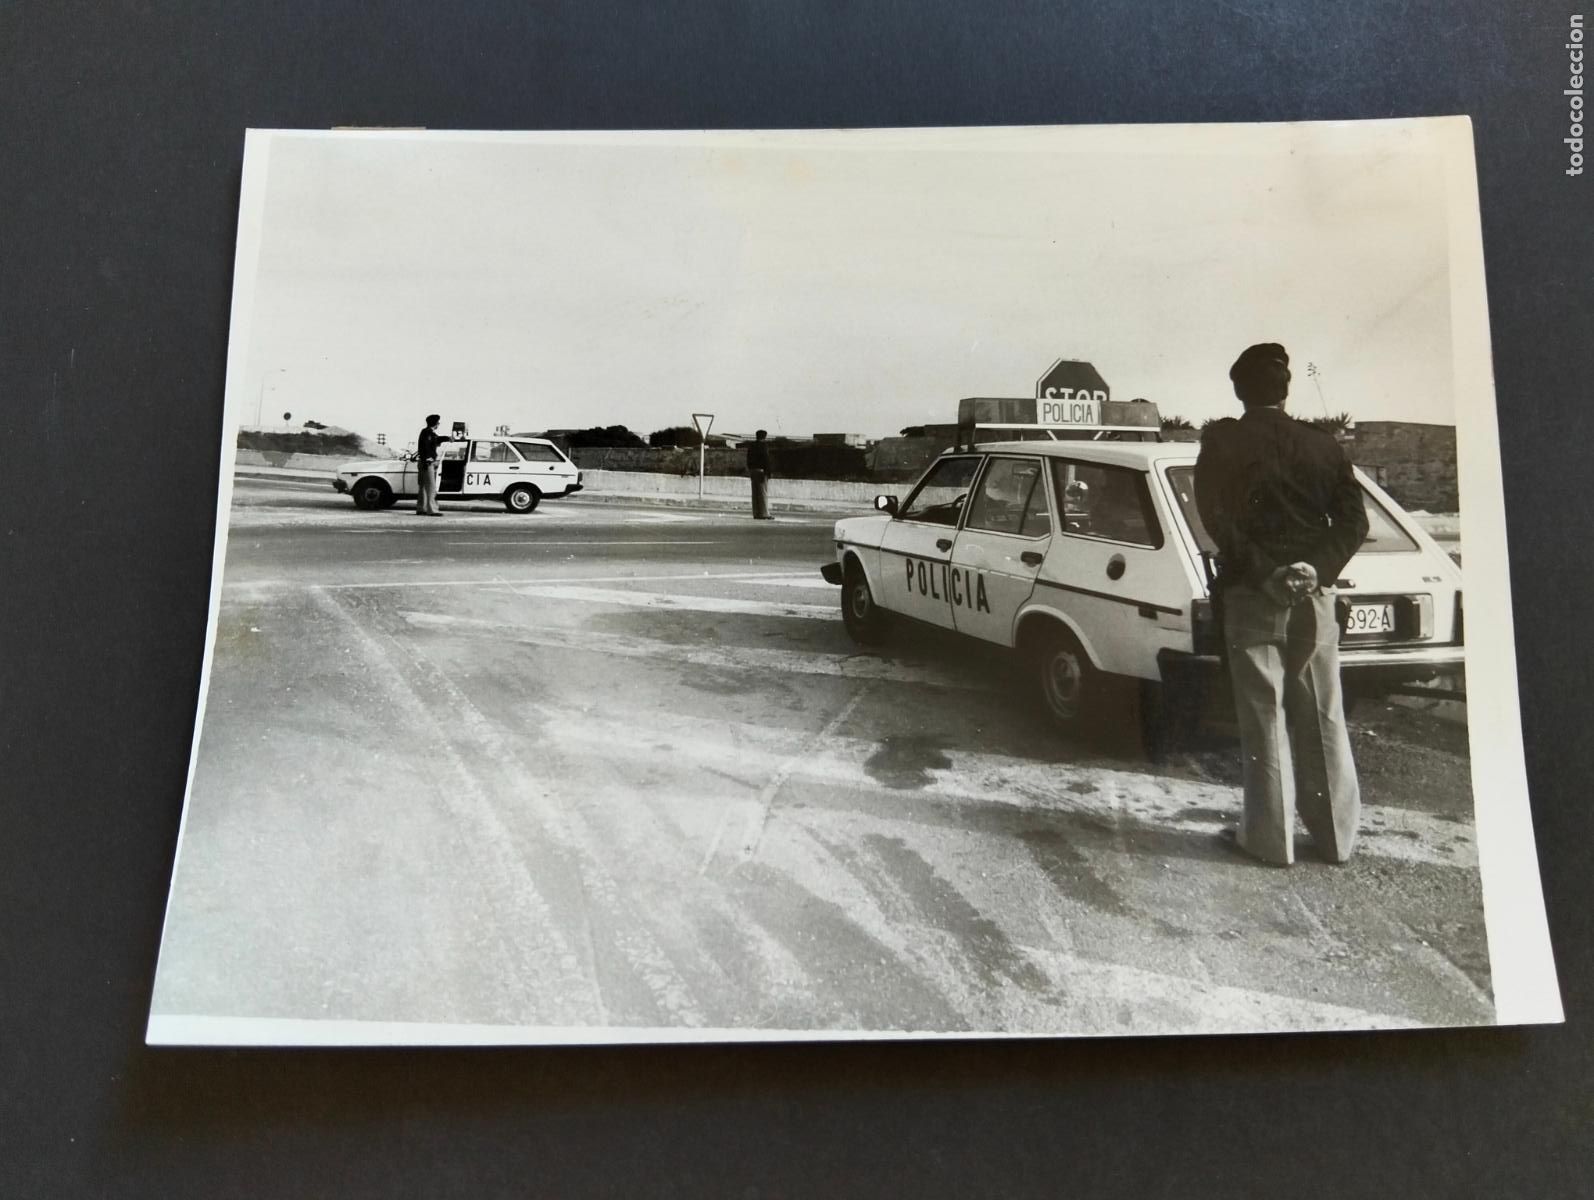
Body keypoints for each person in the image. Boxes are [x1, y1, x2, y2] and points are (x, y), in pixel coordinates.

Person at [1194, 343, 1369, 866]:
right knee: (1322, 715)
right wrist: (1314, 569)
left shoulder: (1222, 442)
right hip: (1314, 597)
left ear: (1239, 390)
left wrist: (1268, 572)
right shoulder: (1324, 446)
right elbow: (1355, 522)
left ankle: (1270, 842)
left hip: (1253, 593)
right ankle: (1337, 838)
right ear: (1286, 389)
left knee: (1262, 716)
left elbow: (1216, 519)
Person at [415, 414, 455, 516]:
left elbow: (437, 439)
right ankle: (432, 510)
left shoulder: (426, 432)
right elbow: (426, 447)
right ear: (436, 423)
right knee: (431, 487)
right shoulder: (428, 433)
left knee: (423, 486)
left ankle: (421, 508)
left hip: (423, 462)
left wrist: (447, 438)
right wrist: (429, 457)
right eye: (438, 422)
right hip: (427, 462)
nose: (439, 424)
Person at [746, 429, 773, 520]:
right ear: (764, 437)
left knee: (755, 493)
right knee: (763, 493)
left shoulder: (752, 446)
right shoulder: (764, 446)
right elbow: (766, 460)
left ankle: (756, 513)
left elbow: (748, 459)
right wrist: (768, 472)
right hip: (762, 471)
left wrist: (750, 469)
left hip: (753, 470)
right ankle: (764, 513)